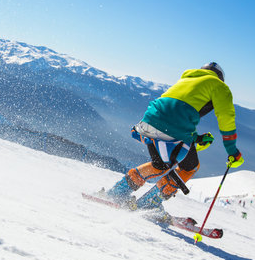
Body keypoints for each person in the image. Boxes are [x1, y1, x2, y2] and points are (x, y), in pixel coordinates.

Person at [102, 62, 244, 215]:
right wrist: (232, 151)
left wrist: (196, 138)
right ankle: (148, 204)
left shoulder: (187, 79)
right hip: (173, 129)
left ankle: (117, 192)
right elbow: (226, 119)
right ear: (220, 77)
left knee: (159, 164)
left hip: (148, 121)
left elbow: (175, 111)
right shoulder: (220, 87)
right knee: (190, 167)